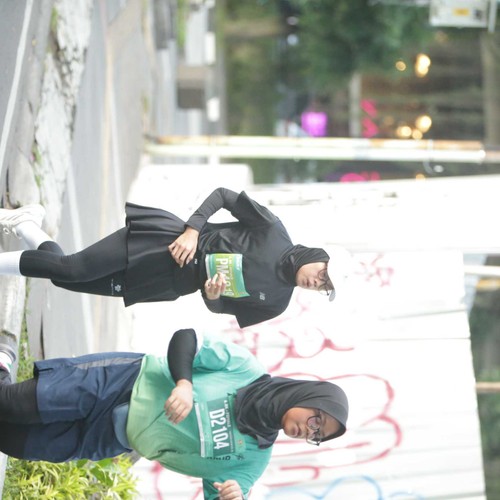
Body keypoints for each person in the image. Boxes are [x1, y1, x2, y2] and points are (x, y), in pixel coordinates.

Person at [0, 329, 349, 500]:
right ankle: (4, 361)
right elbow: (186, 338)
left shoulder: (252, 461)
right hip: (119, 382)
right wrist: (184, 382)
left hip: (111, 437)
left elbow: (221, 494)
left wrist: (231, 497)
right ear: (309, 396)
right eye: (316, 420)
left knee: (12, 441)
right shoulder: (245, 369)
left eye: (318, 435)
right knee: (9, 405)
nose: (310, 430)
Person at [0, 188, 352, 327]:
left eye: (323, 288)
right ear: (319, 256)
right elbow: (223, 196)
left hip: (168, 283)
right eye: (323, 275)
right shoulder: (272, 230)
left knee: (65, 278)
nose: (316, 283)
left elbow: (219, 309)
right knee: (73, 269)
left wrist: (212, 295)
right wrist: (194, 230)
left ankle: (26, 224)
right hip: (164, 244)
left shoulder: (276, 304)